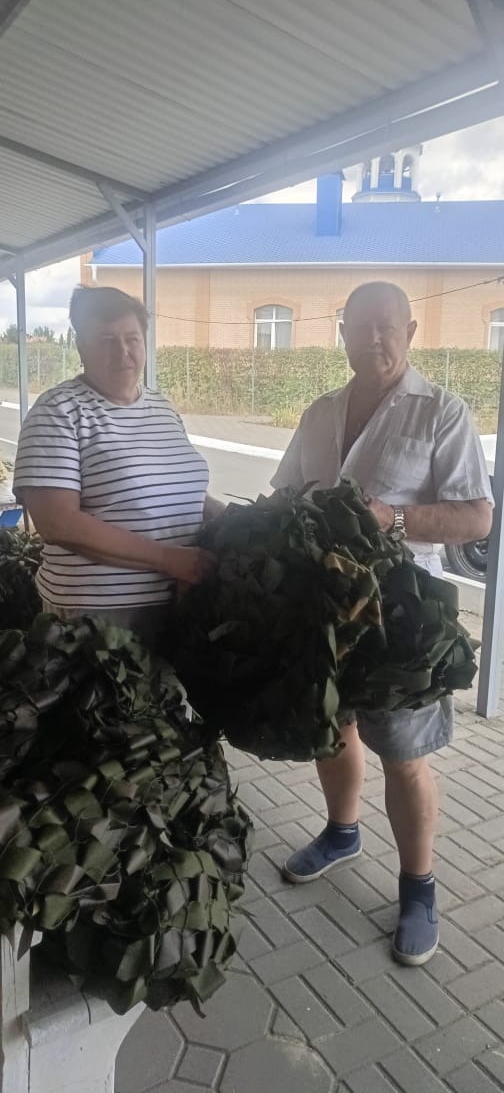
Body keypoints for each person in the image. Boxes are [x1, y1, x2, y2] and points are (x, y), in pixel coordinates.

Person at [271, 280, 493, 966]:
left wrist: (391, 517)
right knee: (331, 725)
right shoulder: (320, 412)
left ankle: (418, 886)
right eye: (360, 326)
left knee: (403, 752)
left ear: (411, 332)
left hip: (401, 616)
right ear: (341, 333)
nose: (373, 338)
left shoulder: (441, 412)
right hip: (323, 606)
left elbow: (477, 517)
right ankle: (342, 832)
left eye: (387, 325)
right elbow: (284, 494)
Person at [14, 286, 220, 645]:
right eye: (106, 340)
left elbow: (177, 490)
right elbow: (58, 523)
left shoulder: (162, 408)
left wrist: (235, 516)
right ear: (81, 348)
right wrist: (167, 558)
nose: (122, 352)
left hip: (178, 601)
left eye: (132, 339)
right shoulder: (58, 411)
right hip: (98, 621)